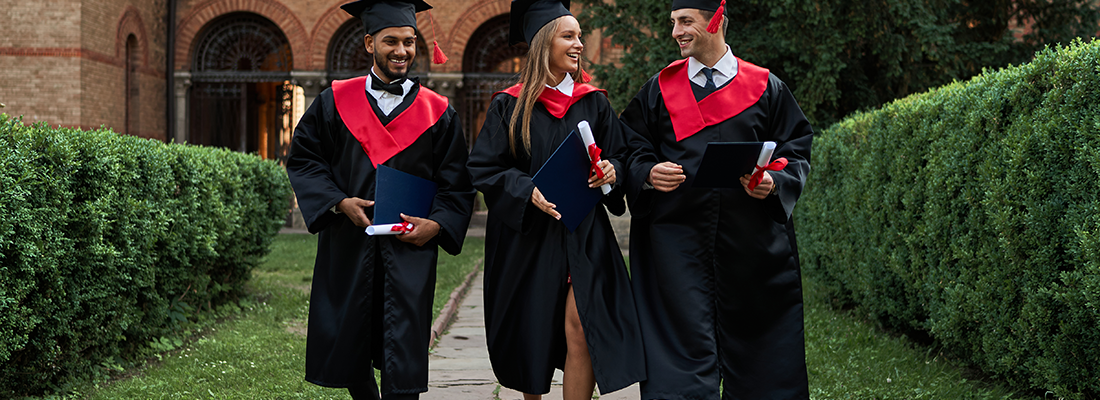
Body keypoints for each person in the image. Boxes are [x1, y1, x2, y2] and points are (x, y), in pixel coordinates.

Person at [619, 0, 814, 398]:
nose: (676, 32)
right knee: (677, 360)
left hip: (751, 247)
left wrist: (774, 182)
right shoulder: (658, 89)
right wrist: (648, 173)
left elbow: (795, 149)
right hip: (676, 247)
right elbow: (630, 148)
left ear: (717, 20)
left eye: (685, 21)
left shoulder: (766, 87)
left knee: (762, 360)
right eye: (673, 23)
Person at [285, 0, 475, 399]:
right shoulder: (335, 101)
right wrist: (338, 201)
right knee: (350, 341)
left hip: (410, 249)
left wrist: (437, 225)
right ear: (370, 42)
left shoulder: (438, 112)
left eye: (409, 41)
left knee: (403, 351)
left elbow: (456, 183)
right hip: (349, 244)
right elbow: (304, 159)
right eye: (391, 41)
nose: (402, 51)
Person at [466, 1, 646, 399]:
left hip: (583, 235)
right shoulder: (509, 105)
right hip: (528, 238)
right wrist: (524, 188)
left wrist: (612, 172)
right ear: (543, 43)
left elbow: (621, 155)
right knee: (535, 331)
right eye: (569, 36)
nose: (579, 44)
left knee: (581, 326)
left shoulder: (593, 102)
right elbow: (483, 168)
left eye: (580, 36)